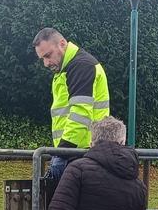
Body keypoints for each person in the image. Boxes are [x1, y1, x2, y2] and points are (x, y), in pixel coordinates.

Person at [31, 28, 110, 191]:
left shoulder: (81, 66)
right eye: (42, 59)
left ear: (62, 44)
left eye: (48, 56)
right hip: (78, 151)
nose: (46, 63)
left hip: (80, 153)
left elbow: (80, 114)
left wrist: (61, 152)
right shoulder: (68, 68)